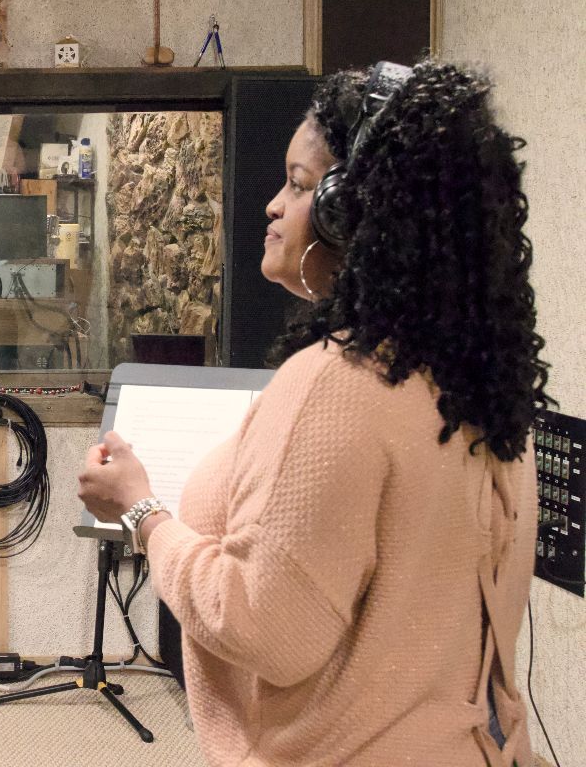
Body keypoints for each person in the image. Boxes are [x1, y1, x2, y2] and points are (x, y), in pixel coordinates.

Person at [79, 60, 549, 767]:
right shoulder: (480, 384)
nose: (273, 205)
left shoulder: (337, 382)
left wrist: (143, 513)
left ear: (351, 211)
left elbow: (264, 628)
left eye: (299, 186)